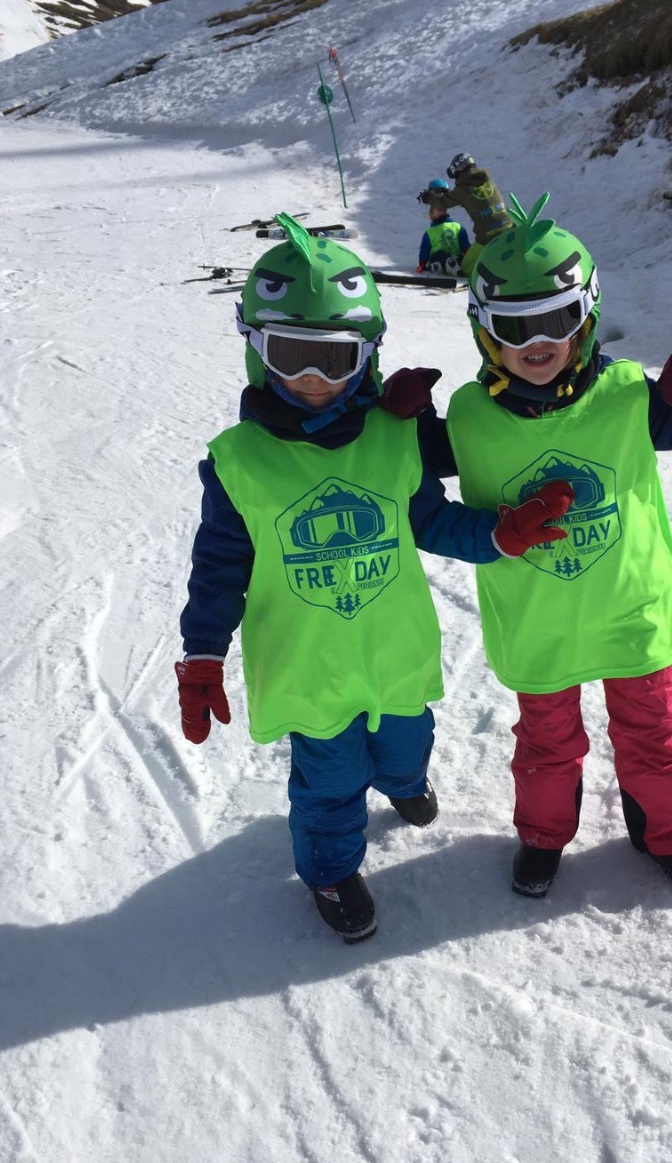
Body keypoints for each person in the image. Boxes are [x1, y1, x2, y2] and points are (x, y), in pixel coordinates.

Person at [174, 213, 571, 944]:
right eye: (292, 354)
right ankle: (331, 867)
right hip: (310, 666)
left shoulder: (394, 438)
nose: (316, 380)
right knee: (329, 782)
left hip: (393, 653)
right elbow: (220, 566)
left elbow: (432, 520)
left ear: (370, 355)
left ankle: (404, 781)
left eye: (339, 358)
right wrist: (203, 652)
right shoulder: (239, 462)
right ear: (258, 351)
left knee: (405, 742)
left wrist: (498, 535)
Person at [382, 194, 672, 900]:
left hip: (627, 608)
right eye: (515, 328)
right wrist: (394, 422)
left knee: (655, 733)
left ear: (589, 314)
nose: (537, 342)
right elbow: (413, 477)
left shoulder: (627, 395)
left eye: (557, 321)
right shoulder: (475, 417)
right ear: (485, 332)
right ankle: (544, 838)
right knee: (544, 744)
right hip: (538, 618)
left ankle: (669, 834)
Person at [418, 153, 513, 275]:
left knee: (466, 267)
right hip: (509, 227)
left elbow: (442, 202)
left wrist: (428, 197)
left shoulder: (462, 190)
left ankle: (494, 270)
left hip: (487, 236)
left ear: (458, 172)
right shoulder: (489, 181)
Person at [416, 177, 470, 275]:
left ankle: (449, 266)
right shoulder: (457, 227)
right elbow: (465, 247)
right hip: (450, 258)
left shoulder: (431, 232)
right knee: (444, 256)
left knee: (441, 255)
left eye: (433, 211)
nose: (432, 214)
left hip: (449, 257)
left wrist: (422, 264)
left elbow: (425, 250)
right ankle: (451, 266)